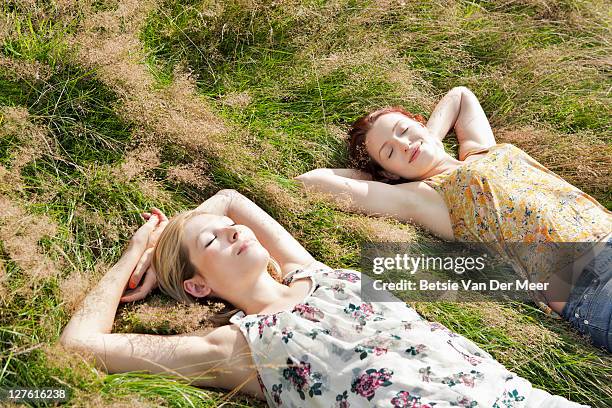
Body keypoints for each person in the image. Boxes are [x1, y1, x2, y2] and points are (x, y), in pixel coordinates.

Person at [60, 189, 590, 407]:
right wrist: (132, 258)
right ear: (199, 286)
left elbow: (231, 200)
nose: (231, 232)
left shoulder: (317, 274)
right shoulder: (239, 349)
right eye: (210, 241)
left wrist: (183, 230)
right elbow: (80, 344)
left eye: (228, 229)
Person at [295, 87, 612, 352]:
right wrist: (381, 177)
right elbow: (311, 181)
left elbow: (461, 97)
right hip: (588, 284)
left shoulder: (479, 151)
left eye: (404, 130)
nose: (404, 144)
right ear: (389, 172)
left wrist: (426, 141)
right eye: (390, 152)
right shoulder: (424, 196)